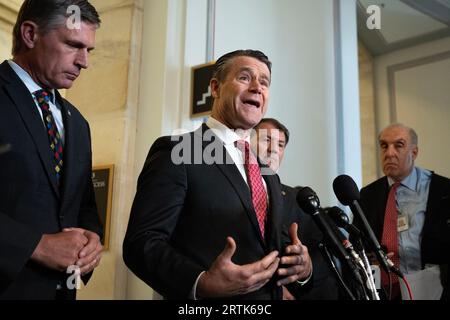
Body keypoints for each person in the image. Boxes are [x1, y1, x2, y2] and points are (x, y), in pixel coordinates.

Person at [123, 50, 313, 299]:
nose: (257, 87)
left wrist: (302, 268)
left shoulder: (267, 173)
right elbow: (141, 243)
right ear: (215, 88)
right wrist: (200, 282)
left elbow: (271, 247)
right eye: (245, 78)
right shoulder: (179, 151)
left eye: (264, 82)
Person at [0, 0, 103, 300]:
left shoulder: (78, 123)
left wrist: (92, 241)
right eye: (73, 45)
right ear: (30, 34)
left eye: (89, 50)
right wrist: (35, 245)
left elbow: (84, 208)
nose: (84, 62)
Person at [358, 123, 449, 300]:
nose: (389, 153)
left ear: (414, 153)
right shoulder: (367, 195)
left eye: (398, 145)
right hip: (384, 290)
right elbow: (361, 247)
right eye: (384, 146)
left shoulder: (443, 190)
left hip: (434, 289)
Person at [251, 118, 340, 300]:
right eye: (266, 140)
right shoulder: (231, 194)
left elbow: (326, 253)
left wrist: (305, 271)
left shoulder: (300, 199)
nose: (273, 149)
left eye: (280, 144)